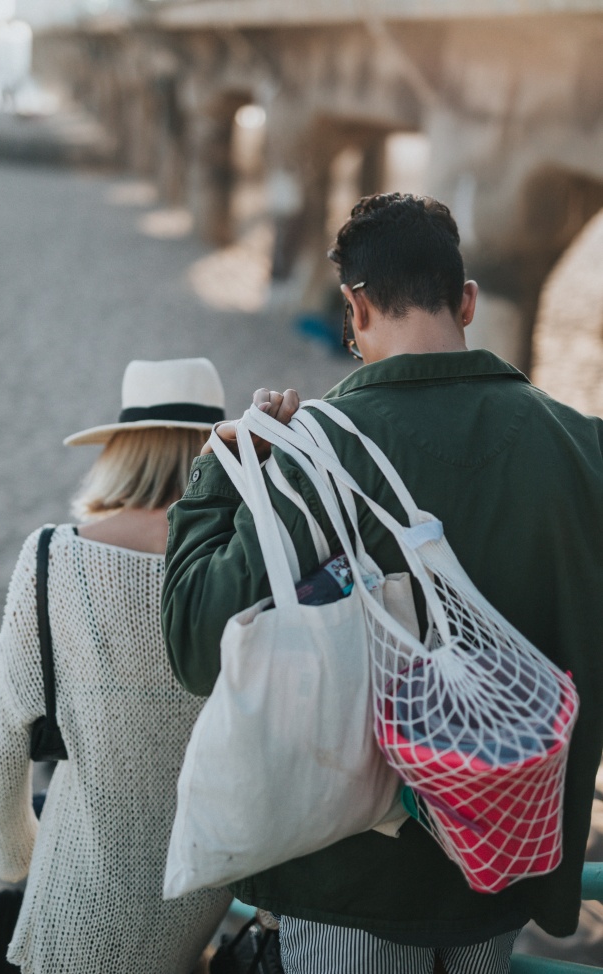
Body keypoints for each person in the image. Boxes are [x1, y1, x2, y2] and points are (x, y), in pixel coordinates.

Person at [161, 195, 603, 974]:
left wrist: (217, 475)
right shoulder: (584, 448)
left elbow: (199, 639)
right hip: (506, 860)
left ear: (355, 308)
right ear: (465, 300)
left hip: (347, 876)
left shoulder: (316, 454)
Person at [0, 358, 232, 974]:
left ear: (123, 449)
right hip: (201, 893)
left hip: (81, 896)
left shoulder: (53, 558)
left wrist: (17, 858)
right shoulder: (243, 564)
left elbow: (3, 748)